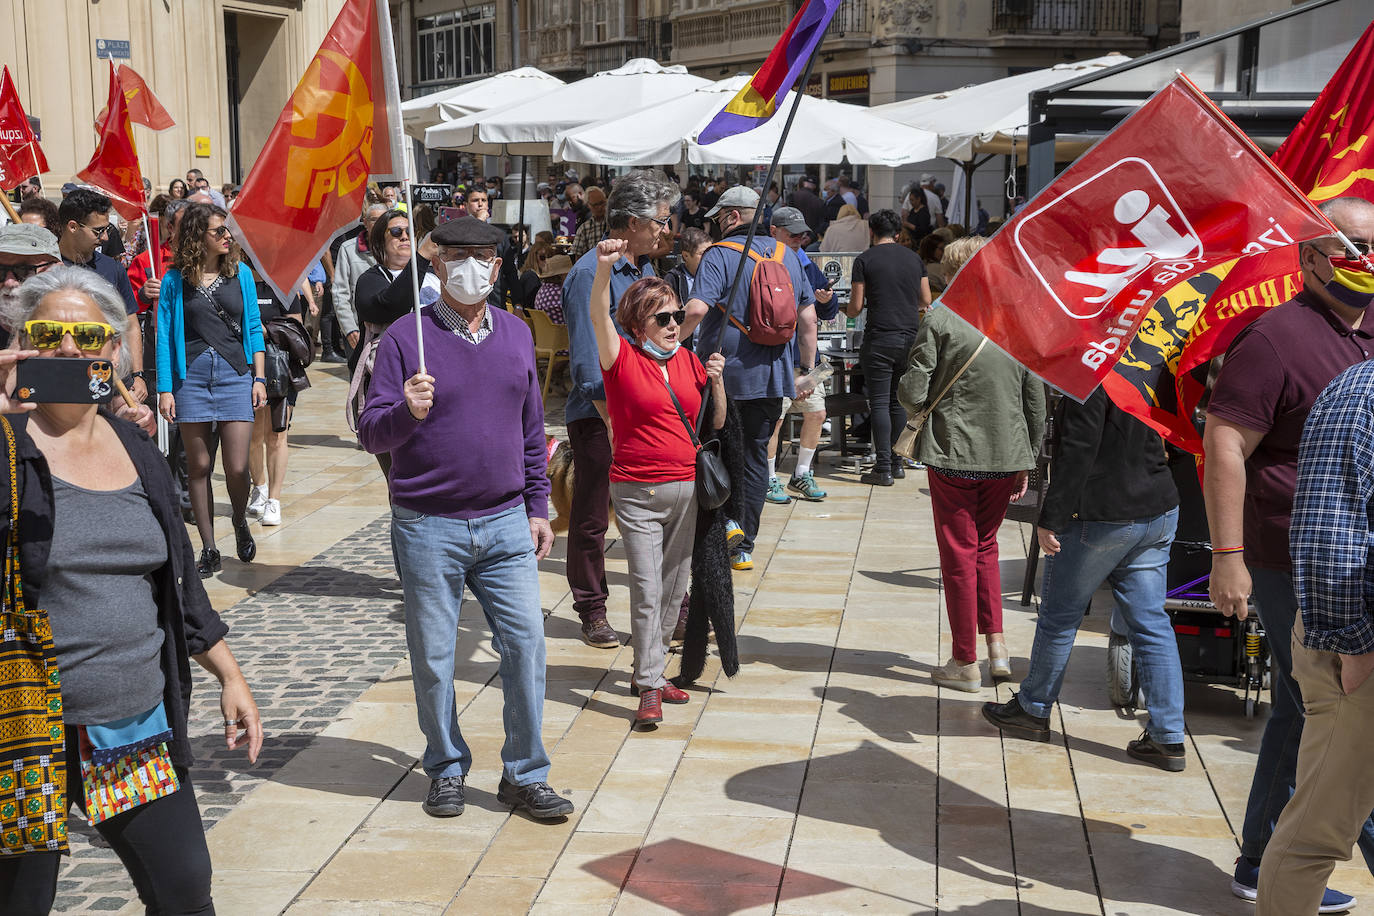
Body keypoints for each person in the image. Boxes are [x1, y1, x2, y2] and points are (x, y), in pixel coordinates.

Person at [0, 265, 262, 914]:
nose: (68, 349)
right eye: (47, 333)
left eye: (87, 335)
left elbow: (172, 576)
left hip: (132, 724)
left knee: (182, 889)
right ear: (20, 342)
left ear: (114, 350)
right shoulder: (4, 441)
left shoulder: (134, 443)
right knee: (20, 901)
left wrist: (228, 672)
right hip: (25, 731)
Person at [358, 215, 575, 823]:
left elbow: (533, 432)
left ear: (498, 266)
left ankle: (525, 773)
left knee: (527, 645)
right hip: (429, 524)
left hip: (506, 520)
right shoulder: (406, 340)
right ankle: (446, 766)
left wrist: (538, 507)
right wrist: (406, 410)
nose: (471, 265)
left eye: (483, 254)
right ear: (438, 263)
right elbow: (372, 431)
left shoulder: (513, 335)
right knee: (432, 655)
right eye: (458, 255)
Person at [1204, 196, 1374, 909]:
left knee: (1305, 710)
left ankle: (1265, 853)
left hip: (1359, 547)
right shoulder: (1275, 338)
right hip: (1294, 554)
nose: (1366, 260)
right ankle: (1283, 856)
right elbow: (1225, 443)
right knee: (1322, 704)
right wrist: (1228, 555)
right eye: (1353, 246)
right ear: (1309, 258)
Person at [981, 387, 1186, 770]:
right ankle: (1168, 735)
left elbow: (1078, 450)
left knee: (1060, 616)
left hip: (1104, 513)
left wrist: (1051, 518)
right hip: (1156, 507)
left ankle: (1033, 707)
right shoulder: (1153, 361)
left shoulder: (1093, 377)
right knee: (1152, 624)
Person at [589, 238, 726, 727]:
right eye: (662, 318)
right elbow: (598, 315)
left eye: (675, 316)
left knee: (671, 590)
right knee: (647, 590)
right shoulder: (620, 359)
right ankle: (648, 684)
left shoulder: (688, 361)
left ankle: (651, 670)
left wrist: (717, 381)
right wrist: (604, 268)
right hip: (636, 492)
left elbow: (715, 422)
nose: (673, 325)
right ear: (636, 326)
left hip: (686, 492)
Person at [898, 236, 1044, 691]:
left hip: (955, 453)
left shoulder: (941, 318)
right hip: (1005, 455)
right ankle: (997, 647)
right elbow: (1035, 401)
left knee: (958, 555)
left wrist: (907, 389)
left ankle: (965, 659)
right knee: (986, 547)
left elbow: (914, 392)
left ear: (950, 272)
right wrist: (1029, 457)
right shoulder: (1017, 320)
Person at [1259, 353, 1374, 914]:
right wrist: (1352, 645)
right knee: (1317, 832)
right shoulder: (1361, 395)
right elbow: (1327, 532)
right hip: (1360, 652)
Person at [562, 169, 679, 647]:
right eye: (659, 221)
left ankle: (671, 608)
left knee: (655, 515)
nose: (665, 231)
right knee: (592, 515)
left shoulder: (645, 271)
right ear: (631, 223)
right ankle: (591, 608)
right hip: (601, 416)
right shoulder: (592, 272)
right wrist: (614, 422)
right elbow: (589, 364)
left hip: (645, 410)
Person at [683, 186, 814, 571]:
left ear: (733, 217)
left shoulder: (718, 256)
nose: (717, 223)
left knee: (713, 452)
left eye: (720, 217)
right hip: (773, 376)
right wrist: (804, 370)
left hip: (722, 375)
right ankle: (745, 544)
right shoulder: (786, 254)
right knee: (756, 456)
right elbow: (807, 319)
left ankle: (721, 527)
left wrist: (669, 344)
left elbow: (696, 308)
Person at [155, 203, 268, 578]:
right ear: (196, 236)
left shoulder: (242, 275)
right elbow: (164, 336)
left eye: (227, 230)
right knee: (199, 466)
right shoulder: (175, 280)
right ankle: (208, 547)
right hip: (191, 381)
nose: (226, 236)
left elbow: (253, 327)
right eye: (217, 230)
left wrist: (260, 378)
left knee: (237, 467)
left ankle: (238, 520)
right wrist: (166, 389)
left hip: (237, 376)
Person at [847, 209, 931, 485]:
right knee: (898, 402)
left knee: (880, 402)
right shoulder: (914, 259)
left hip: (879, 337)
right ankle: (897, 463)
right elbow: (925, 300)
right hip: (909, 337)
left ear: (872, 232)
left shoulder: (864, 259)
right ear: (898, 234)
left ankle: (882, 468)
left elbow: (856, 307)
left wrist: (843, 308)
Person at [350, 209, 426, 475]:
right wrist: (421, 260)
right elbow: (391, 305)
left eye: (409, 232)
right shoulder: (370, 280)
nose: (404, 237)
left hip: (430, 384)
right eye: (396, 232)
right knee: (400, 476)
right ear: (380, 242)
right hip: (387, 390)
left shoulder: (433, 278)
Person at [764, 207, 829, 503]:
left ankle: (801, 474)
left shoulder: (805, 264)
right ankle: (768, 478)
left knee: (817, 413)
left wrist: (827, 300)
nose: (798, 240)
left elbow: (821, 314)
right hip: (776, 358)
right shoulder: (762, 262)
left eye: (802, 235)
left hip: (804, 359)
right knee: (774, 420)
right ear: (773, 231)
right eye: (792, 234)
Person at [56, 189, 145, 402]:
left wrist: (137, 375)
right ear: (73, 227)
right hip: (60, 375)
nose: (105, 238)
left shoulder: (113, 269)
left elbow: (130, 323)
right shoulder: (46, 268)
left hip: (111, 379)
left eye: (107, 230)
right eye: (98, 231)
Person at [245, 269, 304, 527]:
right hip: (246, 368)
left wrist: (265, 331)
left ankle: (275, 499)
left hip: (280, 370)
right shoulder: (239, 281)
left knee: (277, 435)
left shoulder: (284, 285)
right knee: (253, 435)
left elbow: (297, 328)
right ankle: (259, 487)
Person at [333, 202, 386, 357]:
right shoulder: (348, 249)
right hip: (358, 329)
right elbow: (340, 292)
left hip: (389, 329)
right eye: (374, 219)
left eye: (383, 219)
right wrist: (349, 328)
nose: (379, 224)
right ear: (365, 222)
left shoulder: (397, 249)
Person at [0, 223, 62, 349]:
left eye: (23, 270)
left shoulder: (82, 329)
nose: (9, 282)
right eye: (0, 270)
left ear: (57, 271)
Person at [663, 227, 712, 349]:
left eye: (711, 252)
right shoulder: (674, 279)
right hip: (685, 348)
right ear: (686, 256)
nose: (709, 257)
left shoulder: (715, 276)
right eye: (702, 253)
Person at [570, 186, 608, 260]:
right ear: (588, 205)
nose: (600, 207)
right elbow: (578, 258)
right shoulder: (584, 229)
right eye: (595, 205)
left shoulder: (615, 223)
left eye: (602, 203)